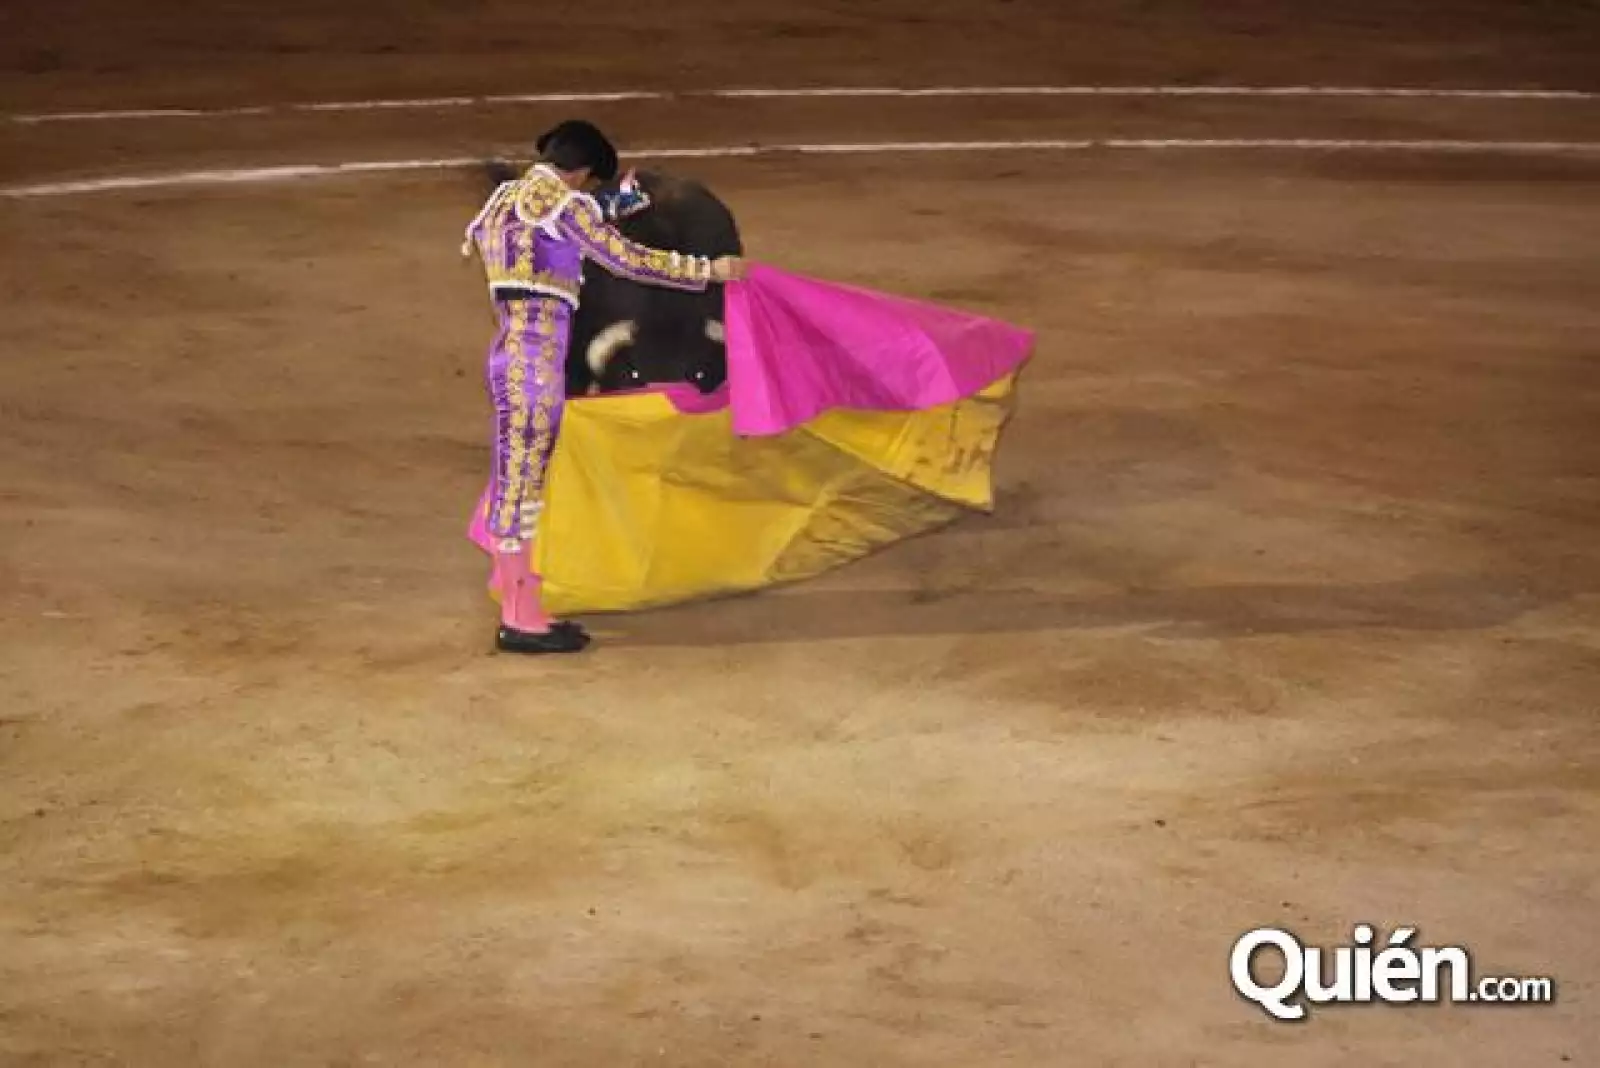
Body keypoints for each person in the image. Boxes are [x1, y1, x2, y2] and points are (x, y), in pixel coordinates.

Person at [461, 120, 744, 654]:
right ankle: (521, 620)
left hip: (507, 357)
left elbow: (565, 215)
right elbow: (629, 259)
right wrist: (710, 270)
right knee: (522, 491)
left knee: (512, 481)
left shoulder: (503, 201)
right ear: (582, 173)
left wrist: (614, 201)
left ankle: (524, 606)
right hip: (539, 366)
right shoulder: (565, 210)